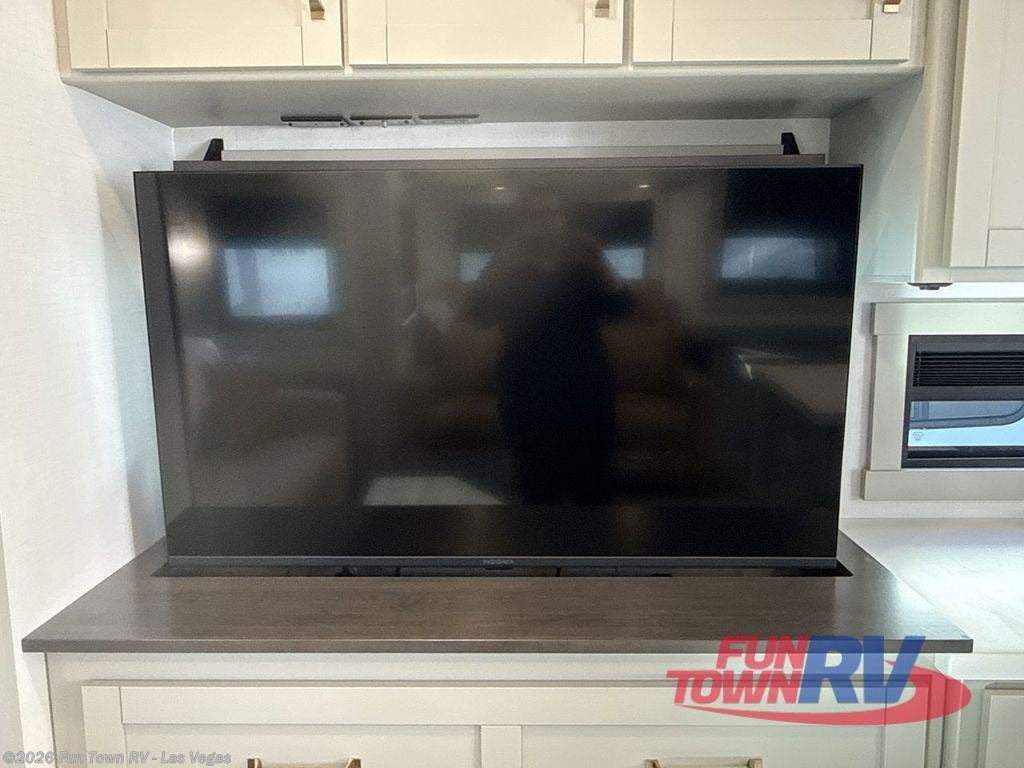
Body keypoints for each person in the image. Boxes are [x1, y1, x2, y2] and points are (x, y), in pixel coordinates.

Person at [464, 190, 632, 504]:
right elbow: (477, 315)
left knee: (592, 486)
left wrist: (601, 263)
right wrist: (499, 264)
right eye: (534, 215)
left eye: (551, 214)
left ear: (563, 219)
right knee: (535, 487)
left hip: (585, 385)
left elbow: (622, 310)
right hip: (525, 387)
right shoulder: (506, 270)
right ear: (521, 224)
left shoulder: (585, 266)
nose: (543, 223)